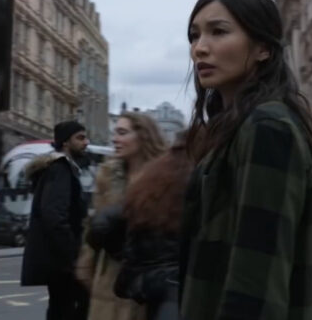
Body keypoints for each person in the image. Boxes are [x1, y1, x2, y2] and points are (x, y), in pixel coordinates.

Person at [179, 0, 312, 319]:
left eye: (219, 32)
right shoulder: (236, 128)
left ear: (262, 48)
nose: (200, 48)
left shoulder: (267, 126)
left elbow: (257, 273)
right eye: (194, 35)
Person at [90, 133, 189, 320]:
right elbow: (101, 223)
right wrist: (121, 252)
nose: (115, 139)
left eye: (122, 133)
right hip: (169, 283)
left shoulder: (156, 175)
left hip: (146, 282)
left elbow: (102, 222)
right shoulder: (190, 175)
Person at [77, 112, 165, 320]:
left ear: (143, 136)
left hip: (147, 275)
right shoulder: (107, 175)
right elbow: (95, 223)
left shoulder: (163, 176)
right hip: (109, 273)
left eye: (122, 133)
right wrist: (86, 262)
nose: (115, 139)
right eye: (115, 133)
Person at [21, 121, 91, 320]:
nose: (86, 142)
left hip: (58, 259)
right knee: (75, 306)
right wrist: (74, 255)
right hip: (63, 260)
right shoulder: (60, 168)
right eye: (80, 138)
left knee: (61, 307)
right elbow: (54, 215)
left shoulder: (59, 168)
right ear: (65, 142)